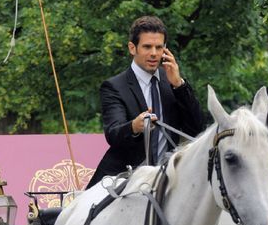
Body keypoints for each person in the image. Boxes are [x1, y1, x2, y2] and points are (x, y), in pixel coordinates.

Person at [87, 16, 204, 188]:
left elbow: (197, 129)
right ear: (132, 48)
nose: (154, 53)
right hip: (124, 179)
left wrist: (179, 85)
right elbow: (113, 134)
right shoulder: (114, 86)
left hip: (168, 180)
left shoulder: (174, 81)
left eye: (159, 47)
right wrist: (134, 126)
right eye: (147, 47)